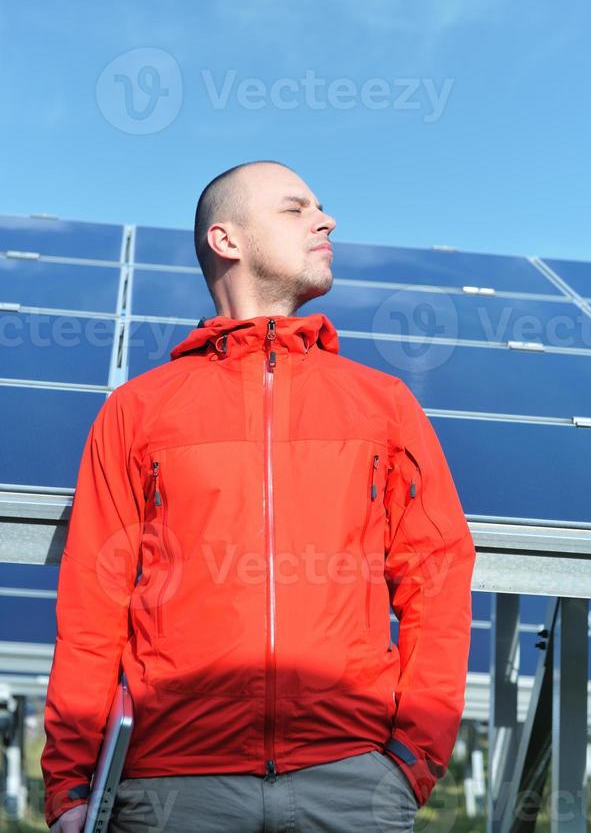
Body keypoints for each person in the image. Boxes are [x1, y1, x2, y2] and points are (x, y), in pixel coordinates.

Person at [41, 161, 476, 832]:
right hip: (173, 788)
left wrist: (411, 757)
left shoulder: (383, 406)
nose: (325, 220)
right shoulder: (138, 412)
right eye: (296, 208)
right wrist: (71, 786)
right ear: (227, 240)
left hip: (354, 783)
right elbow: (93, 605)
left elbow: (437, 578)